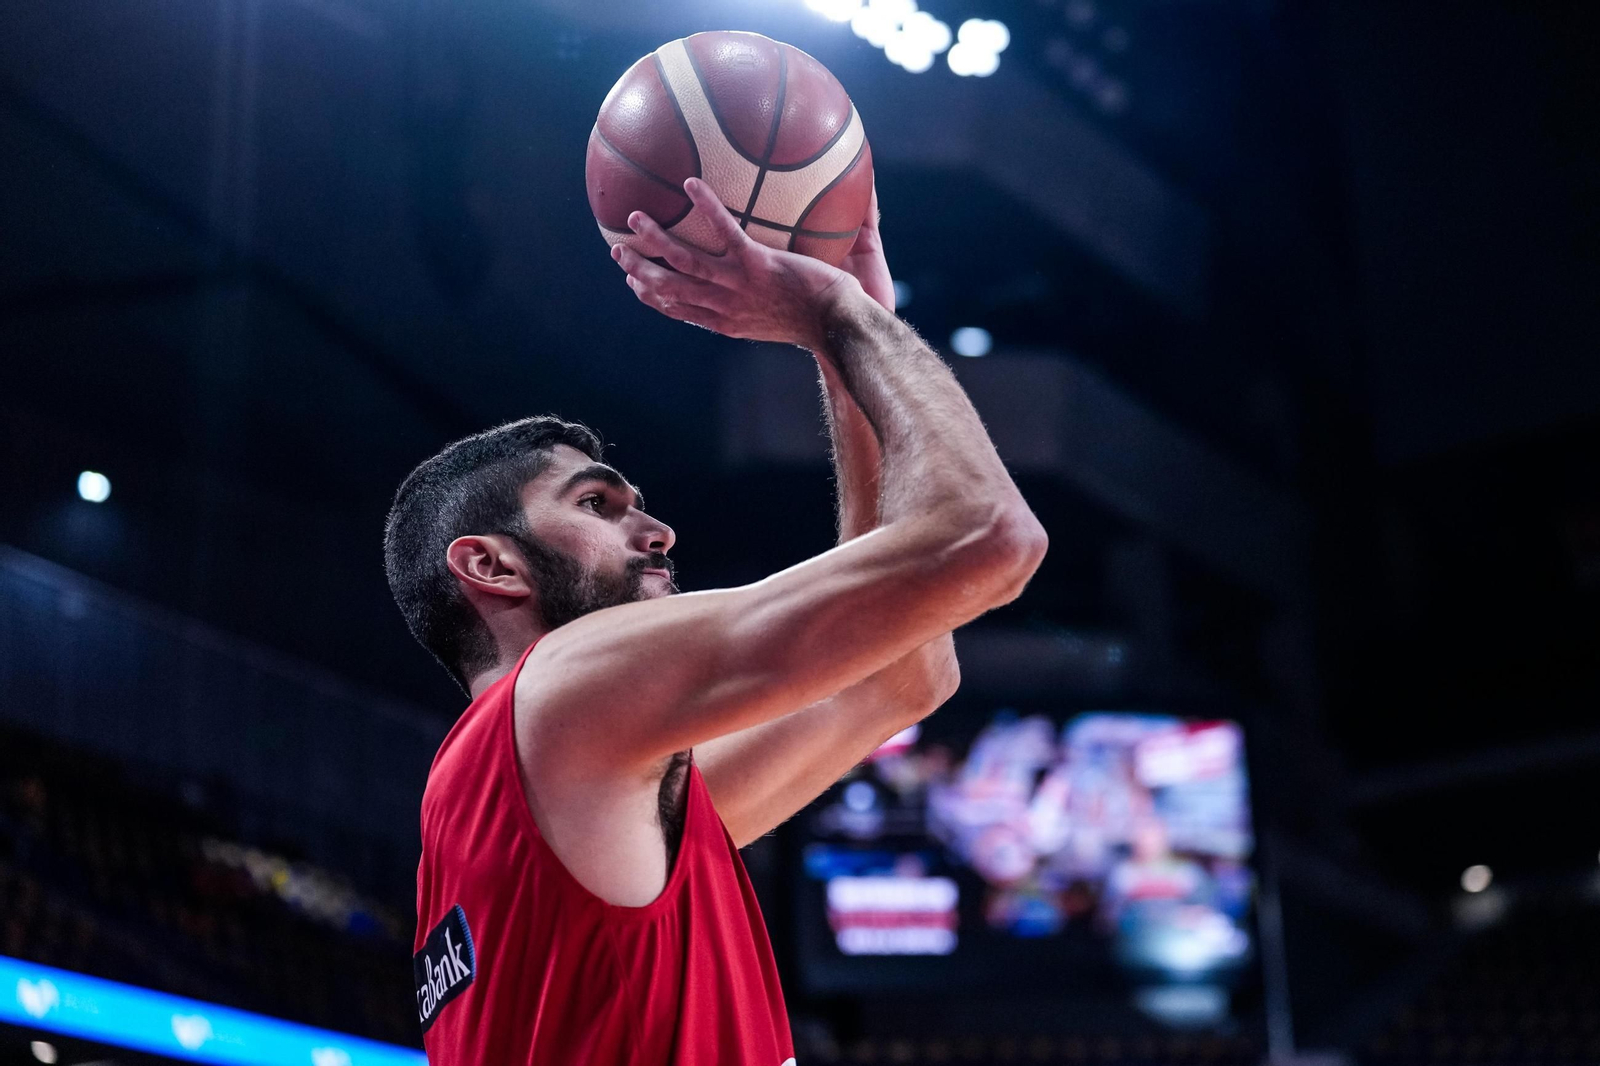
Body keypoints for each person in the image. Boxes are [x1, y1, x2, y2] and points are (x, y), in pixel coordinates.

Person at [385, 176, 1048, 1066]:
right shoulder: (559, 693)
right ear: (491, 566)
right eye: (596, 503)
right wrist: (837, 315)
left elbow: (901, 676)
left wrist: (845, 360)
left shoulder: (573, 786)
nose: (655, 529)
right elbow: (987, 539)